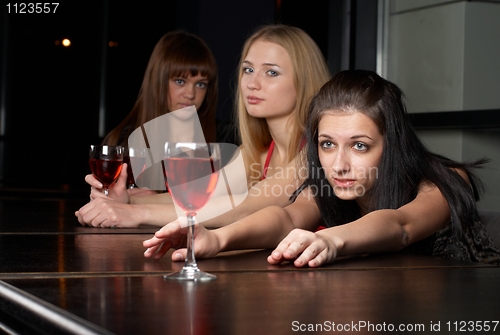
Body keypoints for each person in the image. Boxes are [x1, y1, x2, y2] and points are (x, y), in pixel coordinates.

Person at [143, 69, 500, 266]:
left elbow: (400, 226)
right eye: (327, 144)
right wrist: (217, 238)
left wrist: (329, 240)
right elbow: (284, 218)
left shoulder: (444, 180)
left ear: (392, 143)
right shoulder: (327, 183)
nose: (339, 165)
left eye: (360, 146)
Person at [76, 24, 331, 228]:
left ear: (303, 80)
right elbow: (198, 196)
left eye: (271, 72)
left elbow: (242, 207)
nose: (252, 83)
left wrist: (136, 213)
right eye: (248, 70)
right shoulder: (259, 152)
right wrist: (127, 200)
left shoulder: (317, 152)